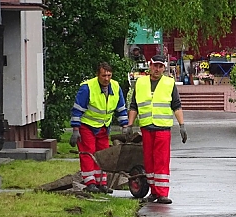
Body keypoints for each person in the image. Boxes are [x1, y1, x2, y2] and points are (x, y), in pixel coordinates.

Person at [127, 54, 187, 204]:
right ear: (150, 66)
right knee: (149, 161)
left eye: (160, 67)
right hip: (147, 127)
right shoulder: (140, 83)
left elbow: (176, 105)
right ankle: (153, 192)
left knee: (161, 160)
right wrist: (129, 125)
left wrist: (182, 126)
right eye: (155, 66)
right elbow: (134, 105)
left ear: (164, 68)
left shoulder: (169, 83)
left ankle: (162, 193)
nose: (157, 69)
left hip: (162, 128)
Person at [70, 62, 131, 193]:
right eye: (104, 75)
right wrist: (75, 129)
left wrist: (124, 125)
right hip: (87, 126)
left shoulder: (115, 87)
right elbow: (77, 110)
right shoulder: (87, 88)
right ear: (98, 75)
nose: (107, 79)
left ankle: (102, 183)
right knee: (88, 153)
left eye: (109, 75)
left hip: (104, 126)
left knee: (103, 155)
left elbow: (121, 108)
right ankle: (90, 182)